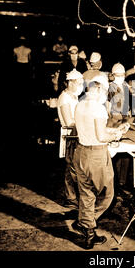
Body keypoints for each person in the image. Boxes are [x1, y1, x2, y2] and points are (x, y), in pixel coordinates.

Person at [72, 75, 128, 249]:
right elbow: (101, 136)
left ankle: (88, 230)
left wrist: (114, 129)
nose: (106, 96)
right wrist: (117, 134)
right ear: (98, 88)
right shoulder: (98, 108)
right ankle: (87, 222)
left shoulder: (80, 104)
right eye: (105, 92)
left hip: (80, 153)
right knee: (107, 193)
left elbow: (92, 128)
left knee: (87, 195)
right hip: (96, 156)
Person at [56, 69, 85, 210]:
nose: (81, 85)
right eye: (79, 83)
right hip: (70, 136)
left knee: (74, 168)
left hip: (77, 134)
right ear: (70, 83)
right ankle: (71, 199)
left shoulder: (73, 97)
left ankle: (73, 198)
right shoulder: (64, 98)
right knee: (71, 168)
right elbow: (68, 121)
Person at [108, 63, 133, 193]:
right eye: (117, 75)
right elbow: (112, 109)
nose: (120, 77)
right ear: (113, 76)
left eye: (122, 75)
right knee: (116, 152)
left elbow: (127, 105)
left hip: (124, 120)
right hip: (114, 121)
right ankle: (116, 182)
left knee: (127, 151)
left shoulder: (125, 86)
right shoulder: (110, 88)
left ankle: (123, 181)